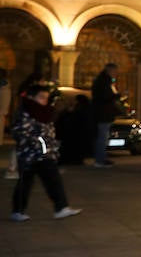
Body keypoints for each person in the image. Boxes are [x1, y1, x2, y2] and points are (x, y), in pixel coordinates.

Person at [10, 86, 81, 221]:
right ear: (31, 97)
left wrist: (51, 147)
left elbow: (49, 130)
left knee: (54, 180)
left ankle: (61, 207)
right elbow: (20, 132)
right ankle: (17, 210)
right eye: (41, 97)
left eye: (46, 98)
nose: (44, 101)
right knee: (25, 183)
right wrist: (39, 142)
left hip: (45, 154)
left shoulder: (45, 112)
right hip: (29, 154)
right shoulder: (25, 112)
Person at [90, 62, 119, 168]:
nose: (116, 74)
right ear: (110, 71)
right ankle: (100, 160)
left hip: (103, 113)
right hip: (103, 114)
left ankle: (101, 158)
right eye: (115, 71)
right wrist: (116, 96)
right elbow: (105, 97)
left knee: (103, 137)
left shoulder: (103, 81)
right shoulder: (104, 82)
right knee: (102, 138)